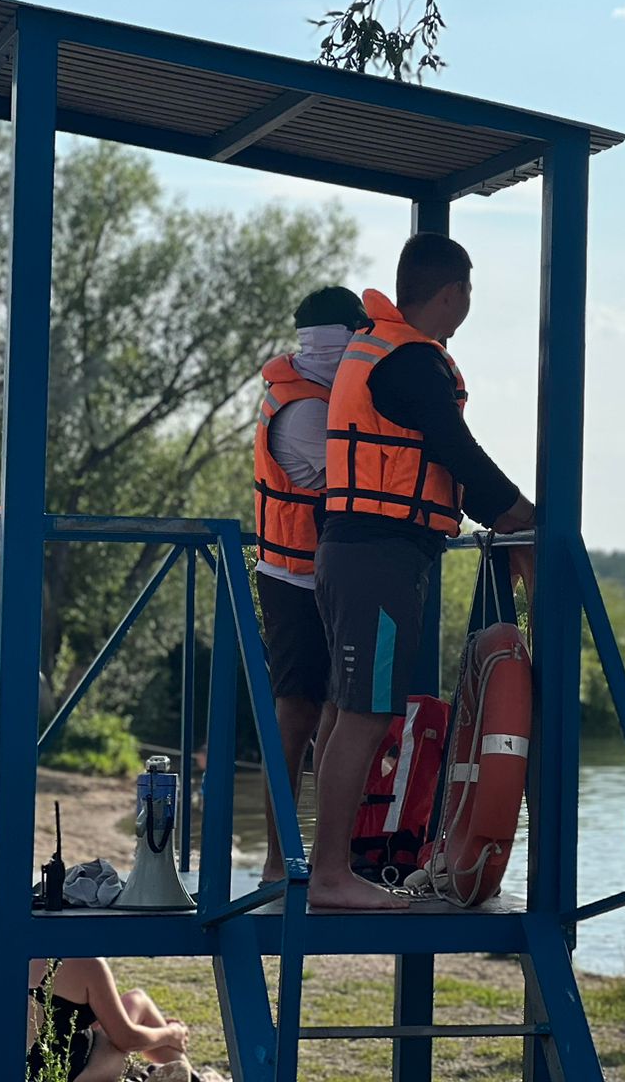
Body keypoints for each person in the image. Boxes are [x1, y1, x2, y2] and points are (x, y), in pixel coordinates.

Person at [311, 233, 534, 909]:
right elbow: (455, 449)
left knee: (348, 709)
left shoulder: (387, 349)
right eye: (468, 292)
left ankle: (328, 863)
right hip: (376, 556)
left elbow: (437, 459)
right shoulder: (409, 360)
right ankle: (329, 874)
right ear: (453, 293)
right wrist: (522, 515)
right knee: (365, 714)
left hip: (360, 551)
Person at [250, 285, 370, 884]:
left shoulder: (315, 391)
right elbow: (357, 484)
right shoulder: (306, 411)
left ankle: (328, 860)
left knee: (334, 714)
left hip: (318, 577)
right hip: (294, 579)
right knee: (296, 715)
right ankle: (279, 862)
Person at [25, 957, 190, 1082]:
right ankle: (192, 1075)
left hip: (13, 1070)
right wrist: (171, 1034)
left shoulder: (3, 953)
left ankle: (191, 1074)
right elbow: (127, 1039)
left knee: (134, 1000)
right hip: (74, 1075)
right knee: (136, 1004)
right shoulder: (84, 962)